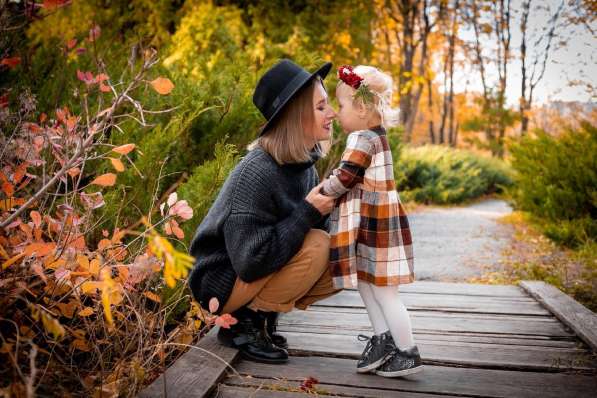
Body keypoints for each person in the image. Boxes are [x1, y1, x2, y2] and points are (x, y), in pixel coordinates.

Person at [187, 59, 340, 364]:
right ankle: (242, 323)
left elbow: (297, 230)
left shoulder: (301, 165)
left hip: (249, 271)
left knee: (343, 258)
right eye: (321, 107)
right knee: (318, 246)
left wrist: (337, 204)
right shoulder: (257, 172)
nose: (332, 112)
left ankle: (261, 317)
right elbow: (251, 261)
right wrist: (308, 212)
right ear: (297, 116)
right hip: (220, 280)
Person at [319, 65, 423, 377]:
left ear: (362, 108)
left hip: (375, 225)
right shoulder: (376, 136)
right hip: (370, 223)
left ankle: (408, 351)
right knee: (366, 284)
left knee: (384, 292)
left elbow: (346, 177)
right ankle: (383, 339)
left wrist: (323, 190)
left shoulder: (362, 138)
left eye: (342, 105)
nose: (337, 113)